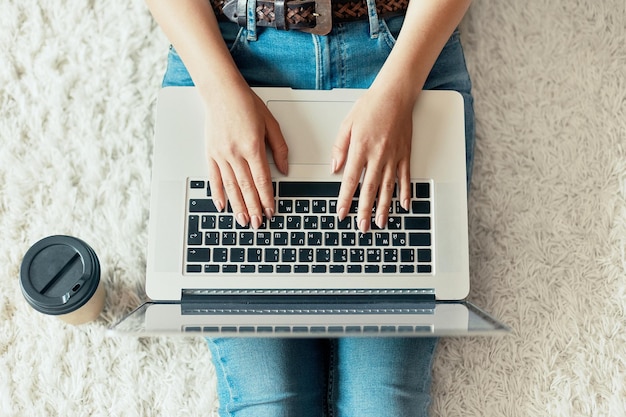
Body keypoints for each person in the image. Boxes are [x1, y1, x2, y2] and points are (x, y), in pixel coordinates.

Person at [146, 0, 475, 415]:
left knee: (382, 405)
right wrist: (218, 89)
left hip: (401, 49)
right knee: (272, 405)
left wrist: (399, 89)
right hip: (228, 53)